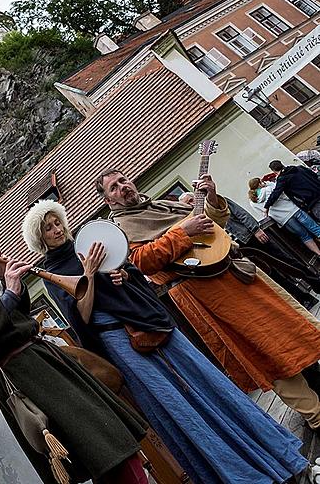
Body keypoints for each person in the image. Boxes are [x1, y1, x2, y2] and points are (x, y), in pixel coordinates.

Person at [24, 200, 308, 484]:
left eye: (57, 222)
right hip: (118, 341)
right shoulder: (52, 272)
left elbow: (133, 273)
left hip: (150, 322)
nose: (57, 229)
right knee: (174, 406)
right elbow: (81, 316)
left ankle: (277, 453)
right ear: (41, 239)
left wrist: (123, 274)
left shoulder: (89, 244)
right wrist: (89, 275)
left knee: (209, 381)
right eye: (48, 228)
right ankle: (235, 475)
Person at [0, 203, 149, 484]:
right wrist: (8, 295)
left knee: (111, 444)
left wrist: (4, 280)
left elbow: (17, 315)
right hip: (21, 373)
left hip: (41, 358)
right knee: (104, 452)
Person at [100, 169, 320, 431]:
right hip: (204, 292)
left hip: (235, 272)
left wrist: (213, 199)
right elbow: (142, 261)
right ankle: (315, 414)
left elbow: (214, 228)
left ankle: (316, 378)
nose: (122, 187)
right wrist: (182, 232)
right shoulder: (121, 230)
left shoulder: (162, 204)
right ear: (108, 200)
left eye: (123, 180)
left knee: (290, 323)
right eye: (113, 187)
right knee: (262, 348)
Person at [181, 190, 319, 308]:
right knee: (270, 273)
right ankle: (302, 298)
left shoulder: (215, 203)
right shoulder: (196, 218)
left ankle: (315, 281)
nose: (191, 204)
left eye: (191, 200)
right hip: (237, 248)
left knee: (284, 260)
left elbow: (240, 213)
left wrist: (255, 229)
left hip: (250, 237)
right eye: (187, 204)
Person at [249, 177, 320, 261]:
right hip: (293, 209)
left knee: (304, 236)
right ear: (260, 184)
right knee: (315, 229)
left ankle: (318, 253)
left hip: (284, 219)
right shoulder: (269, 189)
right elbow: (284, 195)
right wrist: (268, 183)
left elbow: (264, 214)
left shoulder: (252, 202)